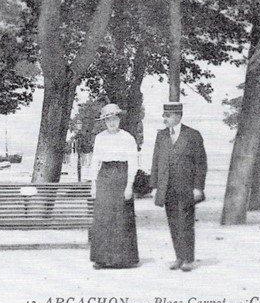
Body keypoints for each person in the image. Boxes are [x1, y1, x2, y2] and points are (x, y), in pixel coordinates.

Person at [150, 102, 207, 272]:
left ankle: (188, 259)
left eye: (167, 116)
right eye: (164, 116)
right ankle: (179, 257)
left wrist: (198, 187)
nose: (164, 119)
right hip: (167, 187)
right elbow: (155, 162)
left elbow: (201, 164)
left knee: (186, 223)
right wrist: (154, 186)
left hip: (186, 187)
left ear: (178, 116)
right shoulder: (161, 136)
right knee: (173, 223)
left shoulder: (193, 135)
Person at [88, 103, 140, 269]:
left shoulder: (127, 138)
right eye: (108, 120)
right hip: (104, 177)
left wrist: (129, 185)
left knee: (121, 218)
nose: (111, 123)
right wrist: (93, 185)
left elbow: (133, 162)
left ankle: (122, 259)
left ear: (119, 120)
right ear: (104, 121)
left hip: (121, 176)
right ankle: (102, 258)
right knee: (103, 218)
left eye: (114, 119)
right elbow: (95, 161)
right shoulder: (100, 138)